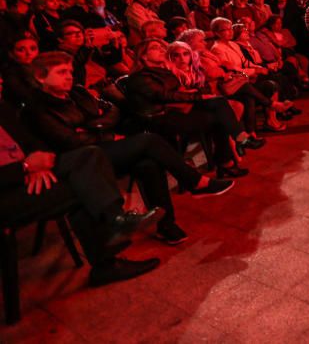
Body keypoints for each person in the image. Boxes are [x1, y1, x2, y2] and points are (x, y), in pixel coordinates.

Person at [26, 52, 233, 245]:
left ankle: (166, 224)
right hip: (83, 161)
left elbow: (112, 110)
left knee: (149, 163)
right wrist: (103, 131)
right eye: (62, 72)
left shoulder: (77, 93)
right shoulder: (37, 109)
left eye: (70, 72)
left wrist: (93, 126)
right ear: (40, 77)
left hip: (102, 147)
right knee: (148, 140)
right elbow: (71, 142)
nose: (69, 77)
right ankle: (195, 181)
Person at [1, 76, 163, 287]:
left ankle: (117, 221)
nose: (3, 80)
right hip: (6, 194)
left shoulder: (2, 109)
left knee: (90, 156)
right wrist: (24, 168)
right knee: (84, 186)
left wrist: (35, 160)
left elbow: (31, 141)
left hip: (27, 173)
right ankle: (106, 261)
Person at [128, 39, 252, 177]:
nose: (162, 49)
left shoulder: (162, 71)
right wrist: (198, 97)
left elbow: (177, 90)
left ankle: (236, 145)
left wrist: (194, 95)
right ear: (143, 56)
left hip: (177, 109)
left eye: (162, 46)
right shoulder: (140, 77)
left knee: (220, 104)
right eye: (155, 48)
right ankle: (228, 156)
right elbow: (163, 95)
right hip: (160, 118)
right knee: (219, 114)